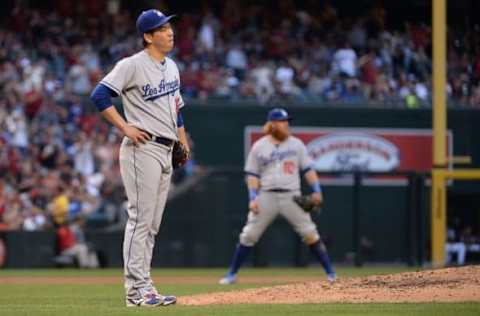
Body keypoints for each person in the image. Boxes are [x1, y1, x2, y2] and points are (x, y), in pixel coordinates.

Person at [90, 9, 190, 307]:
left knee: (152, 224)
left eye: (169, 26)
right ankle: (137, 292)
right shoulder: (132, 65)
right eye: (162, 28)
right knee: (140, 220)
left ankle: (144, 286)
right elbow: (99, 95)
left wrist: (182, 143)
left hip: (165, 148)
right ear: (148, 36)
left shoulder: (171, 66)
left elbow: (177, 109)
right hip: (141, 148)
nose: (170, 31)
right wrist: (124, 127)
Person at [219, 108, 335, 285]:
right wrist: (252, 198)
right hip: (267, 196)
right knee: (249, 235)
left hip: (292, 196)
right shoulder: (259, 146)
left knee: (310, 233)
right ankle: (231, 274)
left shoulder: (297, 144)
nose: (286, 124)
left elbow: (308, 170)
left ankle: (331, 273)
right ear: (272, 124)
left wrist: (317, 190)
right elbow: (252, 175)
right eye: (282, 121)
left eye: (287, 121)